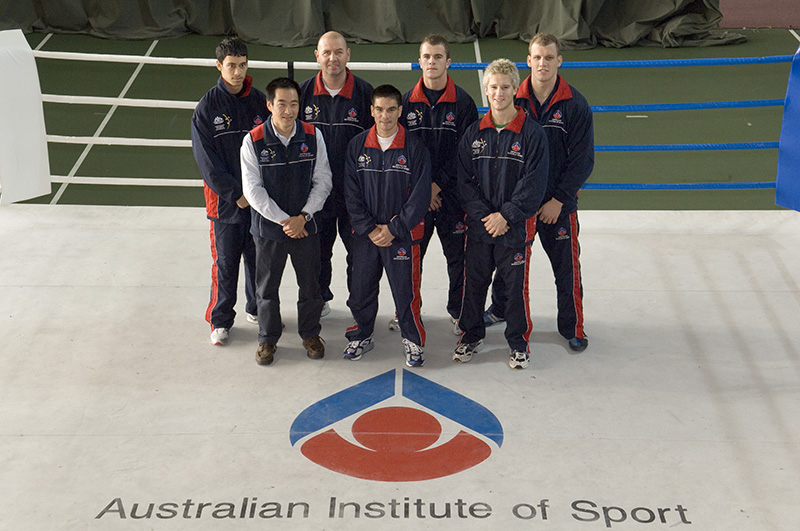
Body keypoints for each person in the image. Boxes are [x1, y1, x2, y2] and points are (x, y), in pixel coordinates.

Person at [483, 33, 594, 353]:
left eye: (549, 57)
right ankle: (501, 309)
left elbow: (583, 160)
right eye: (537, 57)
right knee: (508, 263)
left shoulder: (575, 104)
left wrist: (558, 199)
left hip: (558, 206)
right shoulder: (511, 99)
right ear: (528, 61)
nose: (543, 63)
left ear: (559, 61)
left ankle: (572, 326)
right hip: (517, 203)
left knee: (567, 269)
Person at [454, 59, 549, 370]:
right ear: (486, 90)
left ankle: (518, 342)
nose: (499, 93)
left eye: (505, 87)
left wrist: (505, 216)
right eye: (493, 87)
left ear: (515, 90)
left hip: (514, 228)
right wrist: (485, 216)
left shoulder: (532, 134)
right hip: (481, 227)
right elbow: (464, 181)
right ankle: (470, 336)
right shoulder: (473, 133)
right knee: (475, 283)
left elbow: (533, 184)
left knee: (514, 289)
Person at [240, 77, 333, 365]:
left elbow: (324, 181)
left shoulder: (313, 135)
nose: (288, 110)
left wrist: (303, 217)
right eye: (281, 104)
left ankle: (310, 333)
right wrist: (285, 221)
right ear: (269, 105)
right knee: (267, 288)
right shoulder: (252, 140)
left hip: (306, 227)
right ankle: (267, 340)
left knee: (310, 285)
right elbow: (253, 191)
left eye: (294, 104)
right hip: (270, 230)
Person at [343, 84, 431, 368]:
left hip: (401, 237)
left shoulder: (414, 148)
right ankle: (362, 334)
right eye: (379, 109)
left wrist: (393, 229)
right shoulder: (357, 145)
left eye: (391, 109)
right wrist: (369, 229)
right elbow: (351, 193)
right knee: (361, 290)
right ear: (371, 111)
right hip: (366, 236)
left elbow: (420, 197)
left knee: (405, 292)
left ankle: (413, 340)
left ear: (400, 111)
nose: (385, 116)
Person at [399, 34, 478, 335]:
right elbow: (402, 151)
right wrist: (424, 188)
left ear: (448, 61)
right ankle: (406, 311)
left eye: (437, 57)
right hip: (416, 198)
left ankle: (457, 311)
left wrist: (438, 186)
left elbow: (467, 153)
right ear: (419, 61)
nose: (432, 62)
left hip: (452, 199)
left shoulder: (464, 103)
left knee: (458, 258)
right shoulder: (405, 103)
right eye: (426, 56)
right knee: (410, 259)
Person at [191, 36, 266, 347]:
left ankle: (256, 308)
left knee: (258, 260)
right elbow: (206, 161)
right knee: (225, 263)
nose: (237, 72)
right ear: (219, 66)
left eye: (242, 65)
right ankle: (220, 320)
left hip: (259, 201)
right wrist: (235, 193)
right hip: (224, 204)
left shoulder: (260, 101)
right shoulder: (207, 108)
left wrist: (259, 192)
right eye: (231, 66)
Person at [299, 31, 374, 317]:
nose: (333, 58)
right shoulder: (302, 94)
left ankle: (359, 306)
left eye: (338, 52)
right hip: (315, 196)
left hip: (355, 196)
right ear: (317, 56)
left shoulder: (366, 94)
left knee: (360, 256)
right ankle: (320, 300)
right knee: (318, 254)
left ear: (348, 54)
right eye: (327, 52)